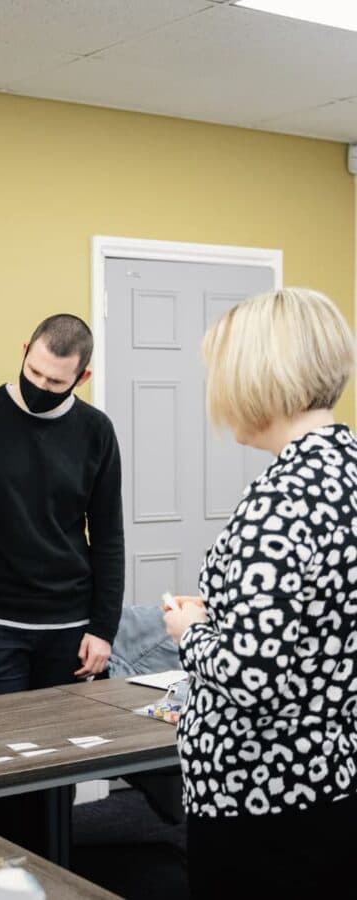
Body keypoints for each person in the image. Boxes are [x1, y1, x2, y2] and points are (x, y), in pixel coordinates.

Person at [163, 287, 357, 898]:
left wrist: (190, 631)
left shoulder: (278, 503)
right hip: (334, 774)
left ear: (258, 379)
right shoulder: (345, 468)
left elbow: (252, 678)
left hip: (260, 791)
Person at [0, 313, 124, 852]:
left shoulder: (96, 432)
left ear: (81, 378)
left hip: (69, 626)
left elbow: (108, 535)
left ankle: (52, 871)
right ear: (24, 351)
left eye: (55, 382)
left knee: (55, 766)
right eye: (33, 371)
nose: (40, 386)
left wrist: (103, 629)